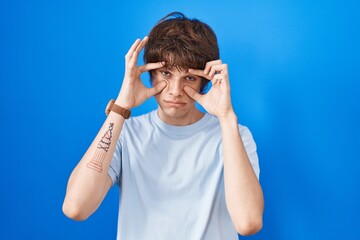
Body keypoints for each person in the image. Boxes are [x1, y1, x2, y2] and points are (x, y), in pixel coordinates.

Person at [62, 12, 264, 239]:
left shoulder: (234, 135)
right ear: (150, 73)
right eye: (165, 73)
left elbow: (248, 223)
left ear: (205, 81)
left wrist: (226, 117)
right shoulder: (126, 133)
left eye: (189, 78)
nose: (175, 91)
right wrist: (120, 107)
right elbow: (76, 207)